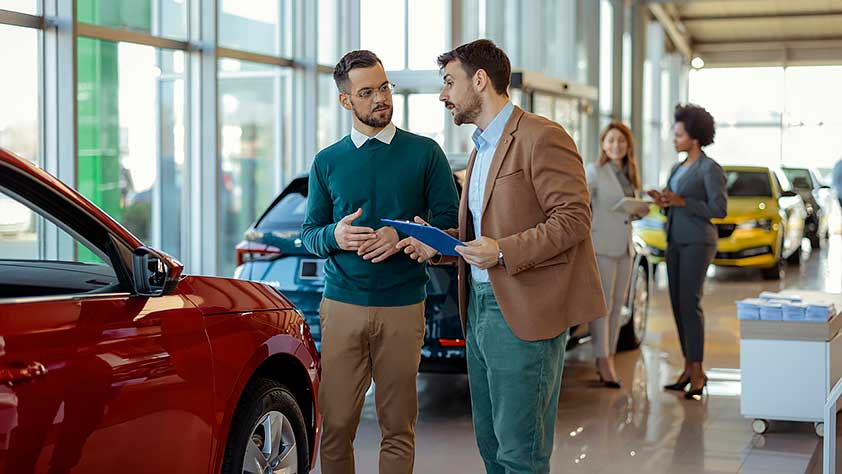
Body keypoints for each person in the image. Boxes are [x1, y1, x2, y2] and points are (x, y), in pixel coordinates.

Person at [398, 39, 606, 474]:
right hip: (479, 310)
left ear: (480, 80)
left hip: (526, 311)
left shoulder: (541, 135)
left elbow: (574, 219)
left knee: (521, 453)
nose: (442, 95)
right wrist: (438, 244)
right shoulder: (480, 149)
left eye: (449, 82)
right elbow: (486, 233)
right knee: (491, 446)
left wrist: (504, 251)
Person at [300, 50, 459, 474]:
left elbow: (448, 225)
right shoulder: (326, 162)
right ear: (346, 101)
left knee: (398, 425)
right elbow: (310, 234)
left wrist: (402, 234)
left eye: (384, 87)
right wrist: (335, 235)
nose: (380, 99)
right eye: (367, 92)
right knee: (334, 424)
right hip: (343, 306)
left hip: (404, 306)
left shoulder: (426, 154)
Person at [647, 103, 727, 400]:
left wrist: (682, 202)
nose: (674, 139)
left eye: (678, 134)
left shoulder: (710, 168)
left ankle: (698, 370)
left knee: (690, 304)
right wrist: (665, 200)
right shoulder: (677, 168)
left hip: (698, 241)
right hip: (675, 240)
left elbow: (719, 209)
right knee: (678, 306)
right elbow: (676, 201)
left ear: (694, 137)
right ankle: (687, 365)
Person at [585, 121, 647, 388]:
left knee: (618, 306)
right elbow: (583, 205)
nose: (615, 145)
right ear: (602, 143)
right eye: (610, 140)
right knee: (603, 307)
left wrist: (638, 210)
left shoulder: (629, 173)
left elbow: (626, 208)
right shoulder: (595, 171)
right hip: (602, 245)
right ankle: (602, 360)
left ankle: (609, 354)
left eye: (620, 141)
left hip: (625, 247)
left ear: (628, 145)